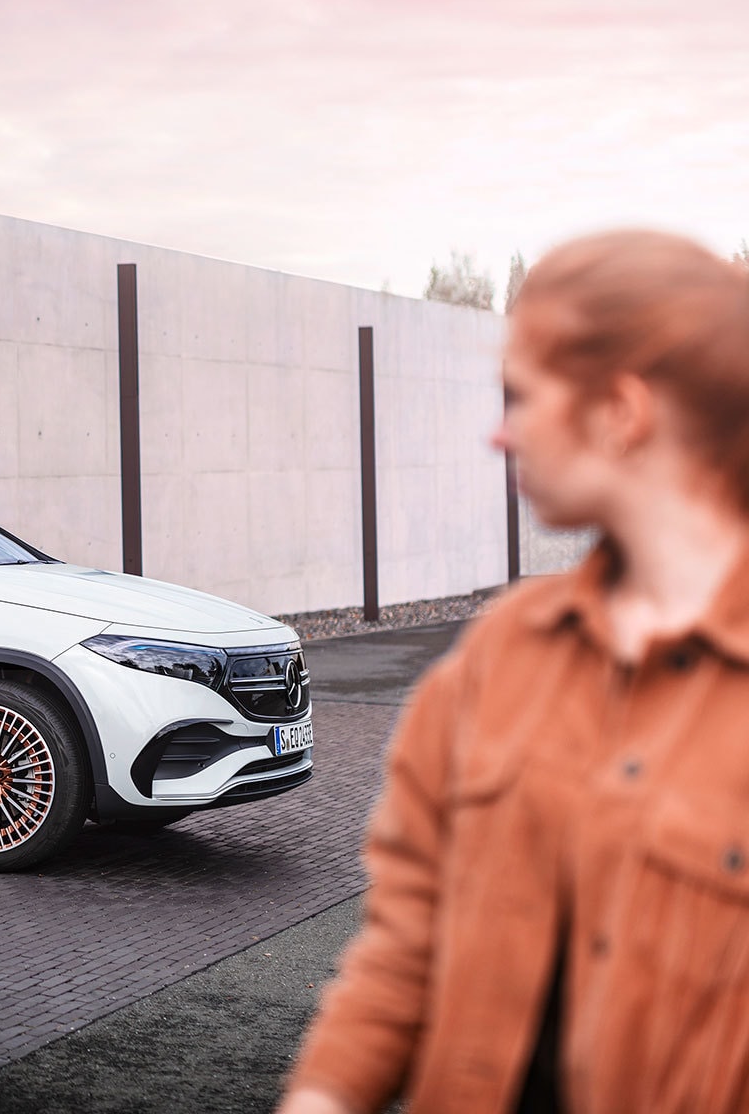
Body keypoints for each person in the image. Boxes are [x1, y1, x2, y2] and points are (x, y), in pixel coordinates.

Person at [278, 230, 749, 1114]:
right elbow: (408, 938)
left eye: (522, 395)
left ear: (622, 410)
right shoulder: (499, 656)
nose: (500, 433)